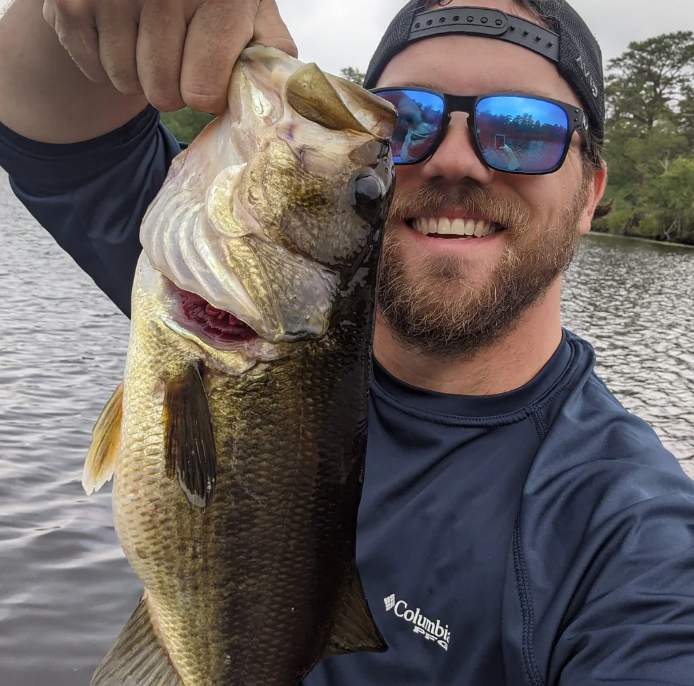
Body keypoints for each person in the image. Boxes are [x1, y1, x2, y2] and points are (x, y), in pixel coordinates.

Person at [2, 0, 694, 683]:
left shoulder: (631, 539)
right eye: (408, 122)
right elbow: (35, 107)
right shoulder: (221, 287)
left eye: (524, 130)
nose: (456, 161)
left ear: (590, 192)